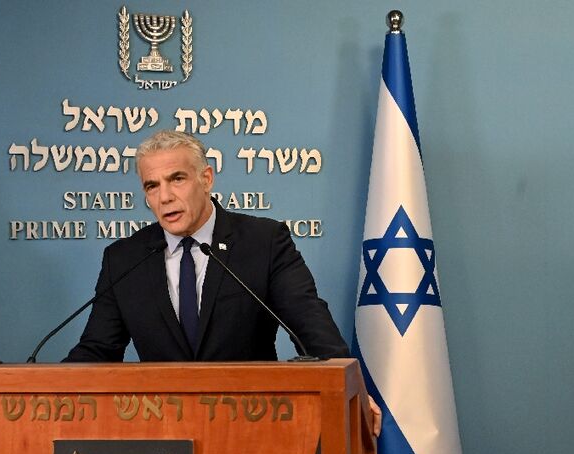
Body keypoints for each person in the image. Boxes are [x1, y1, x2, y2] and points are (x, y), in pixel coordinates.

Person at [64, 130, 381, 433]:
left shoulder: (263, 241)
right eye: (151, 185)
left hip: (255, 427)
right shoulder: (124, 258)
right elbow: (98, 349)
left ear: (206, 179)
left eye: (177, 179)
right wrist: (43, 391)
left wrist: (351, 391)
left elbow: (309, 320)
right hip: (163, 435)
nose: (165, 197)